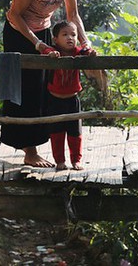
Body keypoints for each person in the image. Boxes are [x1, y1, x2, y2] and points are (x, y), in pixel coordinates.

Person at [3, 0, 91, 167]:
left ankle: (34, 147)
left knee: (44, 89)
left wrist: (85, 42)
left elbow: (73, 15)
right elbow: (14, 14)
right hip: (18, 33)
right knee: (24, 90)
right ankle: (29, 152)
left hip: (43, 31)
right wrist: (37, 44)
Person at [43, 20, 95, 170]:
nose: (70, 38)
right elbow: (45, 51)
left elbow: (86, 52)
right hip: (54, 101)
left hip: (72, 101)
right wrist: (51, 54)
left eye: (73, 35)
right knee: (56, 133)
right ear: (55, 39)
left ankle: (76, 160)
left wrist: (91, 52)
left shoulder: (77, 52)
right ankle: (59, 161)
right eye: (64, 35)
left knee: (75, 134)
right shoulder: (52, 51)